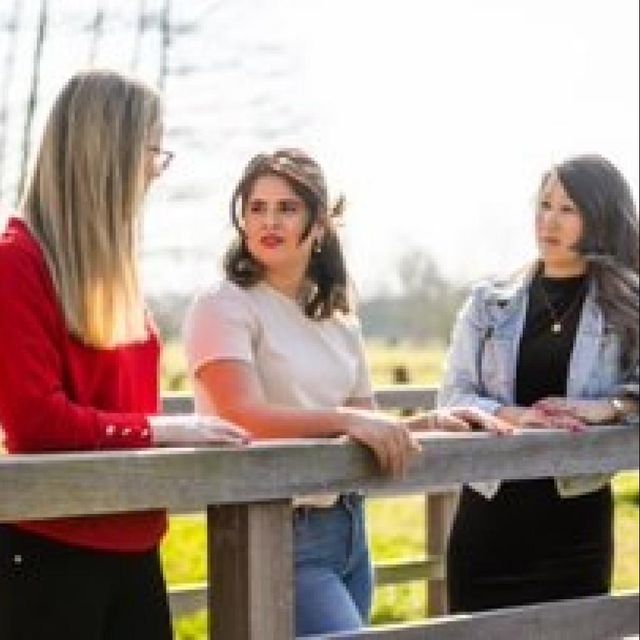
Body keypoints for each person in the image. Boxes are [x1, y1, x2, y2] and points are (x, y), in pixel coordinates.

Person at [183, 148, 505, 636]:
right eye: (256, 207)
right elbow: (240, 418)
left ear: (318, 224)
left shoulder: (337, 320)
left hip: (348, 529)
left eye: (287, 208)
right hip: (275, 529)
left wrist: (431, 422)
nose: (269, 220)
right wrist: (345, 420)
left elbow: (365, 425)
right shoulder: (222, 306)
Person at [0, 69, 248, 640]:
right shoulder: (17, 262)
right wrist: (159, 432)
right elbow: (37, 421)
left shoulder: (113, 276)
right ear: (108, 153)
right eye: (152, 152)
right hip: (52, 553)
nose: (155, 173)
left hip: (135, 542)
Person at [439, 154, 639, 613]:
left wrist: (612, 406)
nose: (549, 220)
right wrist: (513, 416)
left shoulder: (627, 306)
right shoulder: (489, 303)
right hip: (489, 520)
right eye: (544, 204)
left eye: (568, 209)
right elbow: (453, 396)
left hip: (576, 528)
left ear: (600, 216)